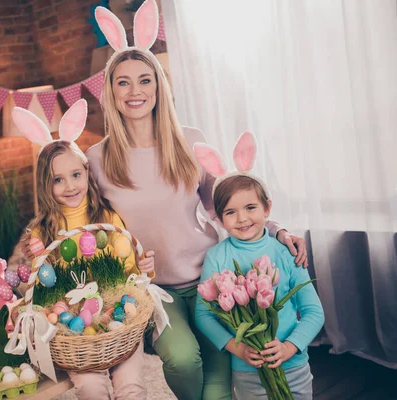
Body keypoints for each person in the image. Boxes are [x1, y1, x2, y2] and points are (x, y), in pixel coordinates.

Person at [81, 2, 309, 399]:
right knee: (183, 359)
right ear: (111, 91)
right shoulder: (98, 159)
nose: (135, 91)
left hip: (213, 278)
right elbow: (93, 236)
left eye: (145, 80)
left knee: (219, 383)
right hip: (156, 291)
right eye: (123, 82)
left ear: (159, 86)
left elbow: (227, 202)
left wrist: (277, 229)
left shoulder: (189, 140)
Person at [13, 99, 154, 400]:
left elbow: (130, 275)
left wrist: (144, 268)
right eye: (58, 180)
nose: (70, 186)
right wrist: (33, 264)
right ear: (45, 185)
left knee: (131, 387)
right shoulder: (42, 231)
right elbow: (42, 286)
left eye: (76, 175)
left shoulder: (107, 219)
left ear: (88, 172)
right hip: (74, 332)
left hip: (118, 322)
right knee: (91, 388)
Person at [192, 135, 324, 399]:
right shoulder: (216, 257)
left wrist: (290, 347)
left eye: (251, 207)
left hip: (293, 366)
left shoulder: (286, 252)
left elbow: (313, 312)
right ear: (218, 218)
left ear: (267, 208)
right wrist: (237, 348)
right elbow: (203, 315)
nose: (242, 218)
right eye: (230, 212)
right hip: (246, 371)